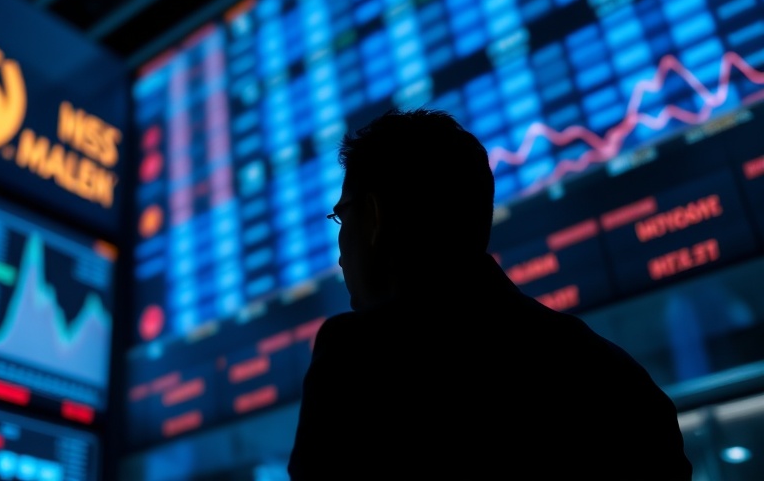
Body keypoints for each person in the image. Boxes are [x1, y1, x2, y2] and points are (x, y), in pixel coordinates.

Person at [287, 108, 692, 480]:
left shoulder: (357, 357)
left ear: (374, 216)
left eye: (342, 215)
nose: (340, 253)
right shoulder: (619, 380)